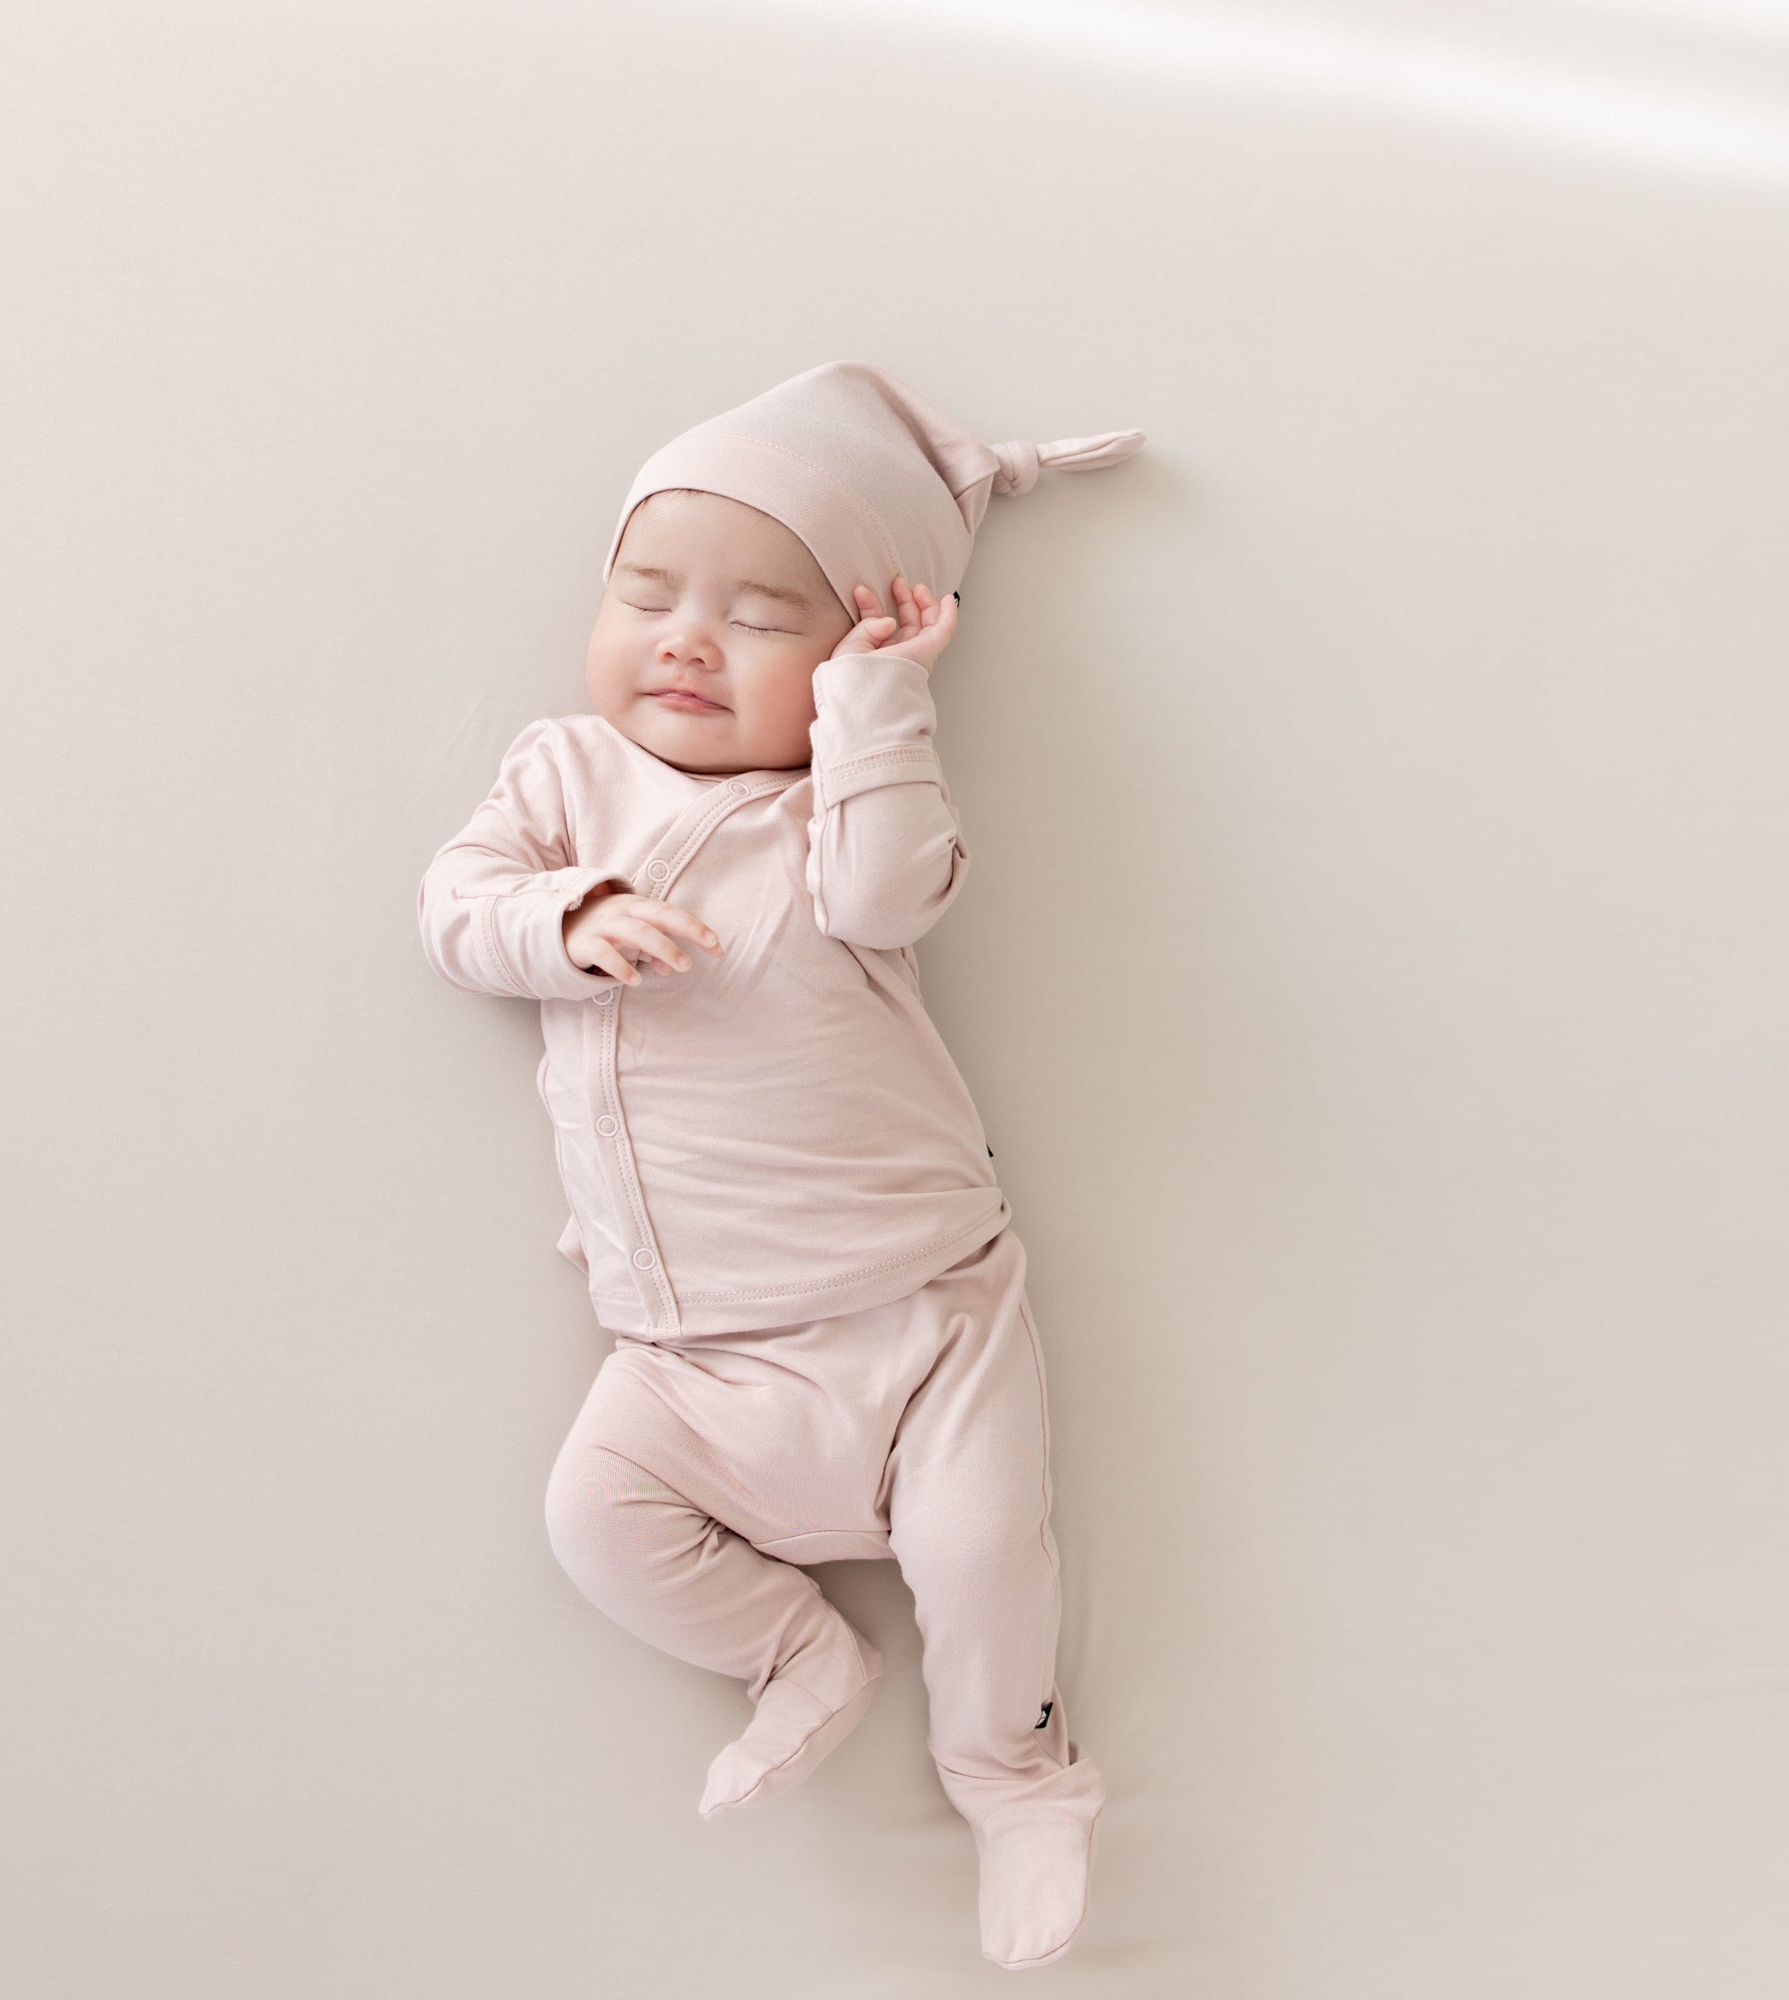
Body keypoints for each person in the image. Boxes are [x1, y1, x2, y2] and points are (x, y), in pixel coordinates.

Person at [416, 359, 1144, 1970]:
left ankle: (1017, 1778)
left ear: (844, 655)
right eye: (648, 591)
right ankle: (793, 1651)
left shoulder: (839, 802)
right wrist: (569, 917)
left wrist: (882, 708)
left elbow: (889, 899)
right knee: (595, 1518)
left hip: (920, 1312)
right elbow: (455, 906)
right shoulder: (562, 778)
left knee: (982, 1555)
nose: (685, 636)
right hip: (688, 1346)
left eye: (758, 616)